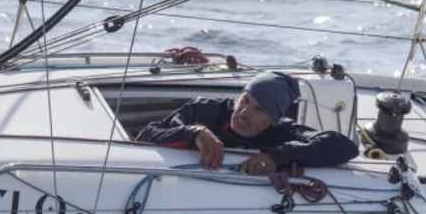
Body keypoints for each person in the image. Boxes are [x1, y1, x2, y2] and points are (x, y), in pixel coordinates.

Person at [135, 72, 359, 174]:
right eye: (245, 100)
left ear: (273, 119)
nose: (243, 113)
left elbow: (343, 147)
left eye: (259, 109)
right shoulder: (203, 110)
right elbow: (147, 134)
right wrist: (195, 132)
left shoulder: (280, 131)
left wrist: (278, 156)